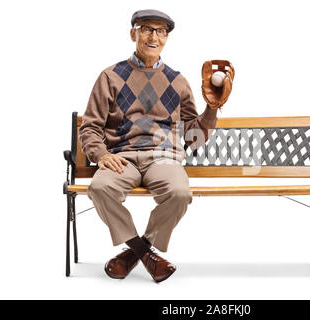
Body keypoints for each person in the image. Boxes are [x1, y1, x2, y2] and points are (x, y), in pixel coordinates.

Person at [79, 9, 234, 282]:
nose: (154, 36)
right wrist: (100, 154)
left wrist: (212, 108)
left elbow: (192, 134)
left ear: (166, 38)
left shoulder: (178, 81)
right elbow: (90, 126)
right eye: (147, 29)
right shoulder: (110, 76)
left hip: (163, 157)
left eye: (161, 31)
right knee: (100, 188)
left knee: (179, 192)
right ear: (133, 34)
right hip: (122, 157)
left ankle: (133, 253)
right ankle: (145, 254)